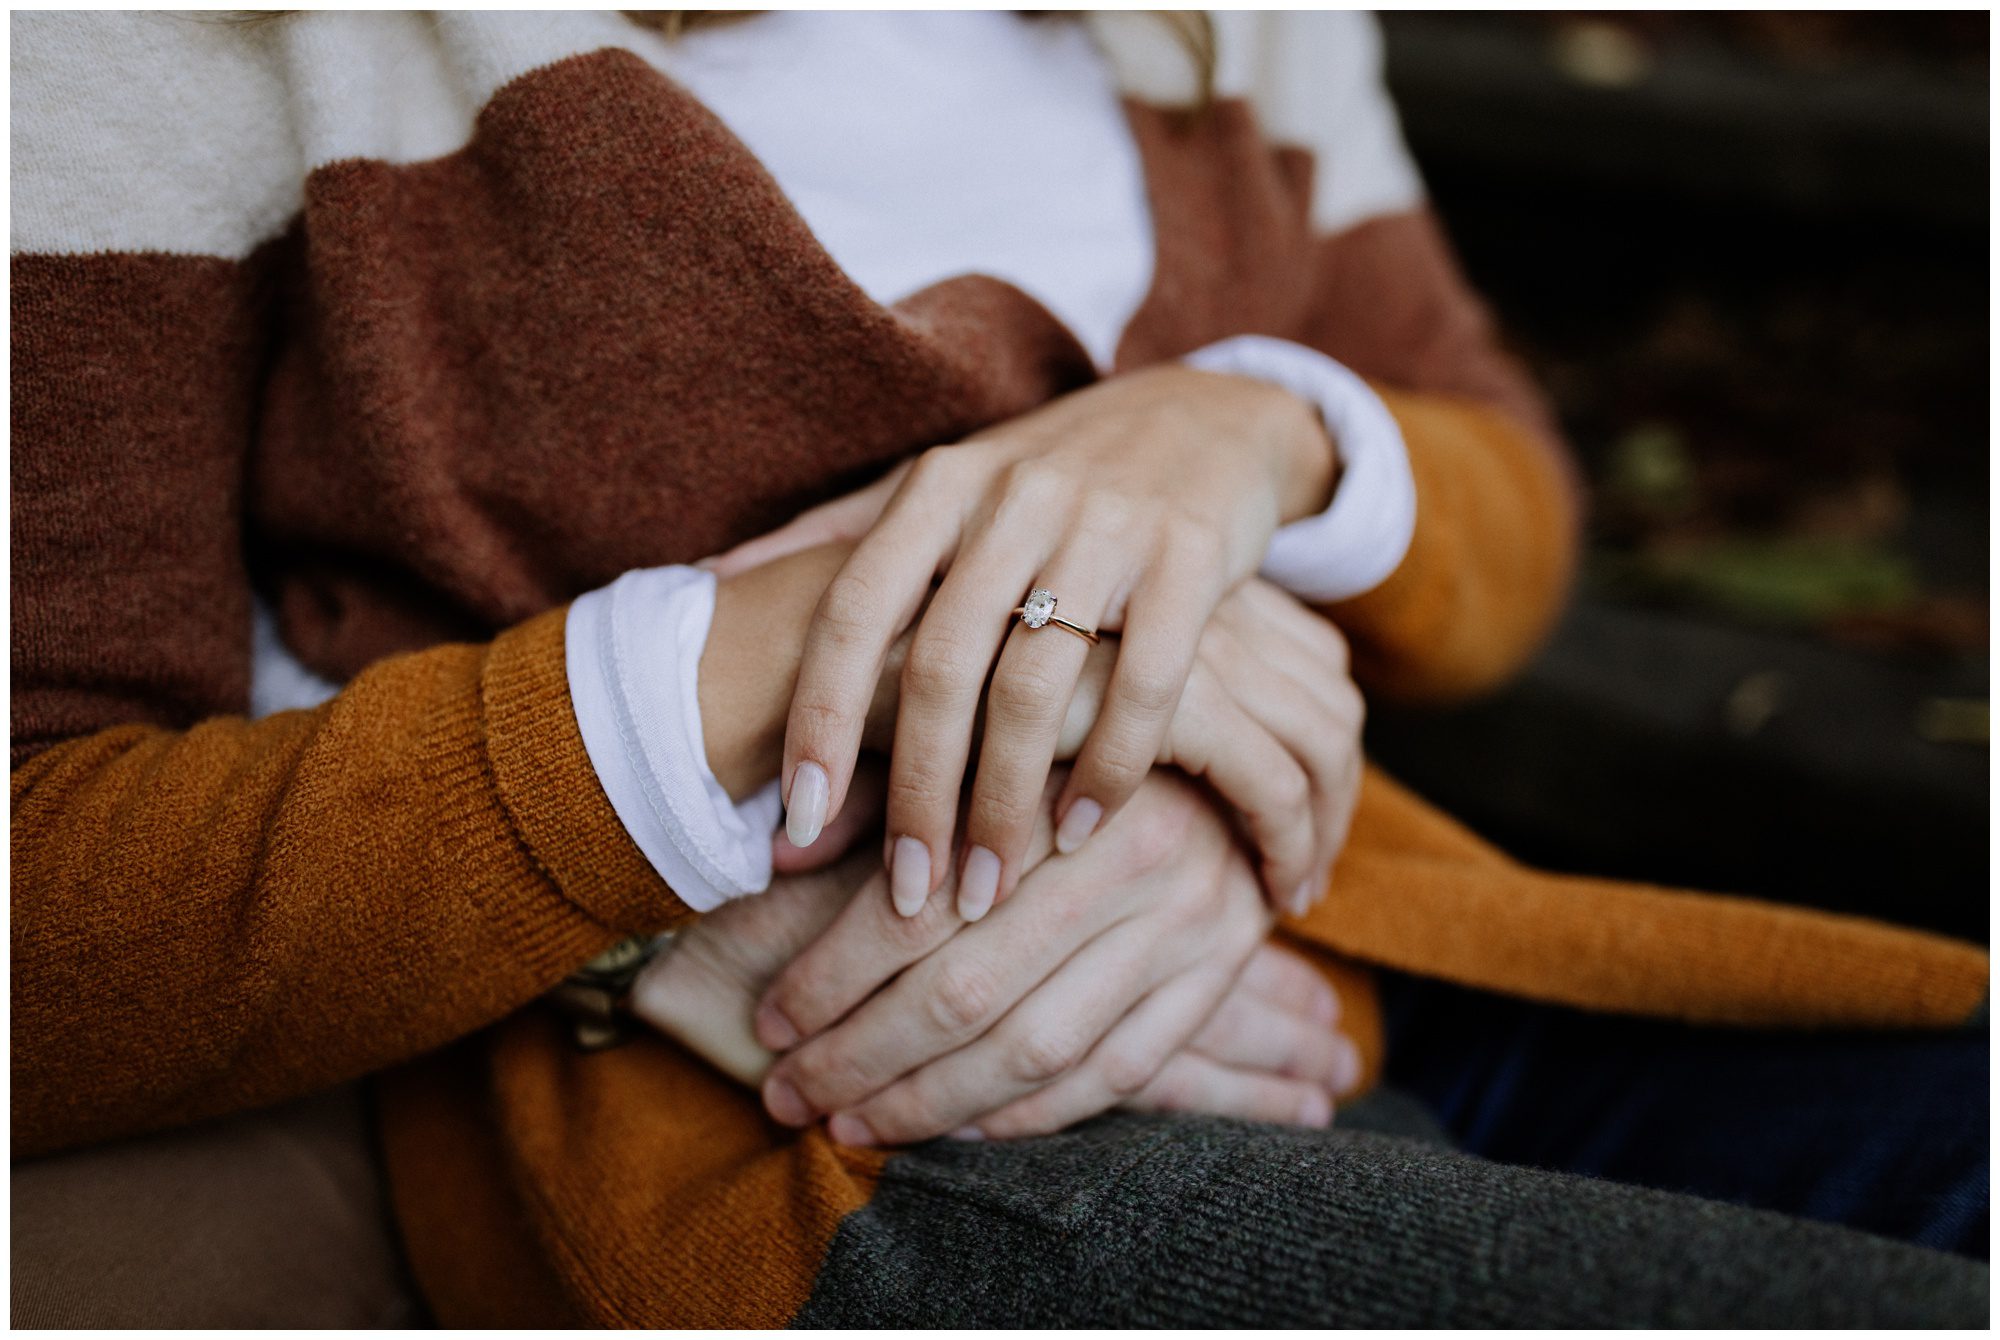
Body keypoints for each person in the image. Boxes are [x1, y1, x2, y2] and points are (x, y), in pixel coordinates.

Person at [11, 9, 1986, 1327]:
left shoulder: (1227, 26)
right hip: (800, 1138)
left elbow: (1500, 513)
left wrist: (1230, 438)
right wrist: (772, 663)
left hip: (1362, 947)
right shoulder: (192, 45)